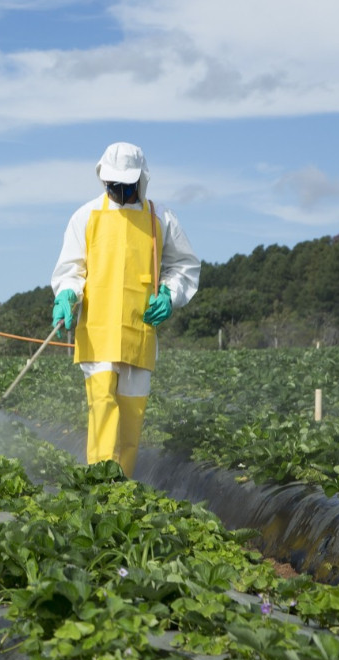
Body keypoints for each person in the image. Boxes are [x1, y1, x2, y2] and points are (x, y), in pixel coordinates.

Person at [50, 142, 199, 477]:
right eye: (113, 185)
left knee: (131, 419)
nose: (119, 191)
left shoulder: (161, 218)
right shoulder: (86, 216)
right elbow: (71, 270)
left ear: (140, 181)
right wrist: (66, 296)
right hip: (98, 331)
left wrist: (169, 295)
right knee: (102, 409)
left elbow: (184, 266)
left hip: (139, 330)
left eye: (125, 185)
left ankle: (123, 489)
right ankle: (99, 487)